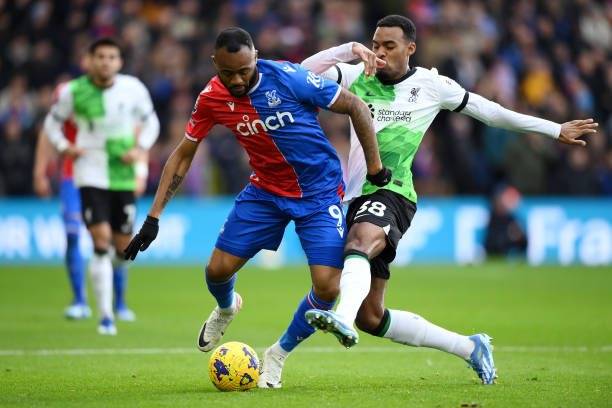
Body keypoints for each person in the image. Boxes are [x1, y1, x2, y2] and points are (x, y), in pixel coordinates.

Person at [258, 15, 598, 387]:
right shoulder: (356, 74)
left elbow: (491, 113)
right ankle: (469, 347)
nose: (380, 52)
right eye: (375, 44)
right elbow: (300, 75)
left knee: (358, 243)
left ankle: (338, 318)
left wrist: (554, 129)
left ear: (411, 48)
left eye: (389, 46)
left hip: (394, 191)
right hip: (353, 196)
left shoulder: (432, 86)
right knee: (373, 317)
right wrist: (348, 50)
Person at [123, 27, 388, 384]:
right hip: (265, 192)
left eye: (244, 70)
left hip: (319, 194)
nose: (236, 79)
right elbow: (183, 154)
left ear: (256, 58)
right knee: (217, 271)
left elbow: (355, 106)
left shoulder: (289, 77)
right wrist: (153, 217)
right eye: (227, 72)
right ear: (215, 63)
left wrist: (375, 168)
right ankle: (227, 307)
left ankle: (278, 354)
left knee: (328, 288)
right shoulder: (211, 98)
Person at [43, 38, 160, 335]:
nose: (106, 62)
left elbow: (152, 123)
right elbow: (52, 124)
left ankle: (115, 295)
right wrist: (64, 146)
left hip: (122, 175)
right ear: (90, 60)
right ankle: (106, 316)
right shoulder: (73, 91)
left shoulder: (133, 88)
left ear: (119, 62)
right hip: (90, 174)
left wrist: (140, 150)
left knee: (122, 250)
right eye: (101, 56)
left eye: (111, 57)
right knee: (99, 243)